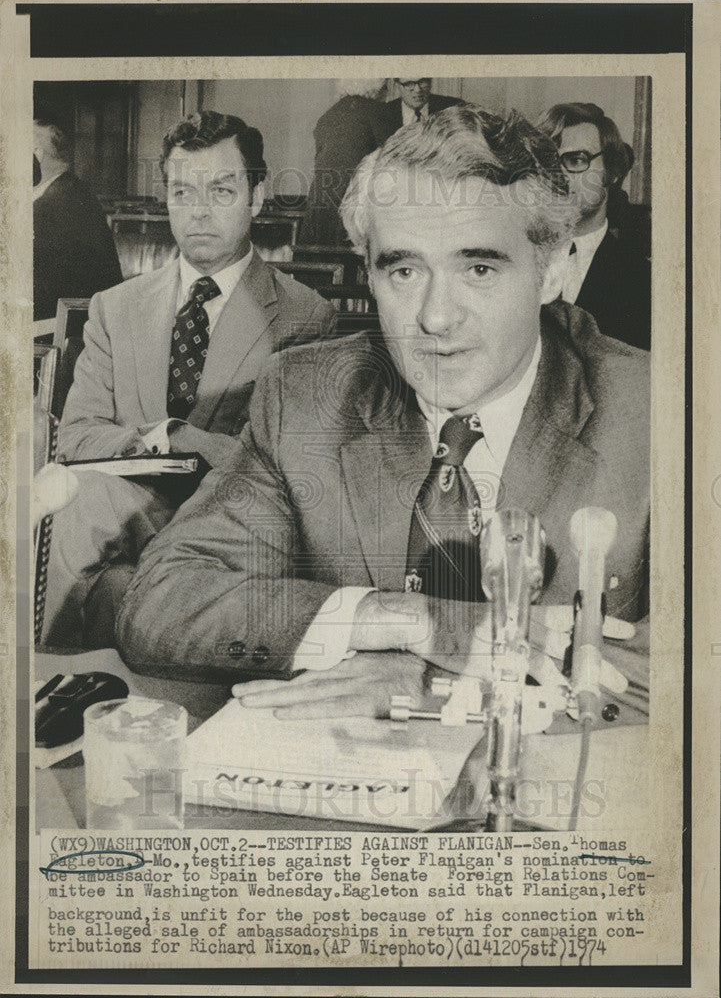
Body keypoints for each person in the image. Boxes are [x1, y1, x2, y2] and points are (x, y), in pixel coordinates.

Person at [116, 105, 650, 718]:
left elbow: (692, 665)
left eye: (478, 268)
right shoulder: (309, 396)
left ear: (553, 269)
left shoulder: (659, 415)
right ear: (369, 274)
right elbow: (161, 601)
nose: (435, 317)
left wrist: (427, 683)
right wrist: (408, 623)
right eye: (403, 270)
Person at [43, 110, 337, 645]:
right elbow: (77, 437)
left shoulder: (303, 317)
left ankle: (50, 686)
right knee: (78, 499)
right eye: (182, 192)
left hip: (230, 526)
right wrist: (160, 440)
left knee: (76, 501)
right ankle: (54, 693)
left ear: (256, 196)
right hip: (120, 510)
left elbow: (290, 470)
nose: (198, 212)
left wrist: (184, 439)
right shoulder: (115, 307)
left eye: (221, 191)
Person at [537, 102, 651, 350]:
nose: (559, 175)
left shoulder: (643, 281)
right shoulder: (516, 257)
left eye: (577, 160)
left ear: (612, 172)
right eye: (547, 161)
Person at [298, 78, 462, 245]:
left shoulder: (328, 116)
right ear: (377, 90)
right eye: (385, 88)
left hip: (318, 213)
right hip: (352, 214)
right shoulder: (375, 113)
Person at [33, 118, 123, 320]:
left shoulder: (50, 205)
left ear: (37, 156)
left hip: (57, 332)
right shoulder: (73, 190)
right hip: (82, 322)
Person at [385, 77, 463, 129]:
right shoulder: (382, 113)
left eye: (423, 82)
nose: (417, 90)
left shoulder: (453, 107)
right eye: (409, 84)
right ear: (397, 85)